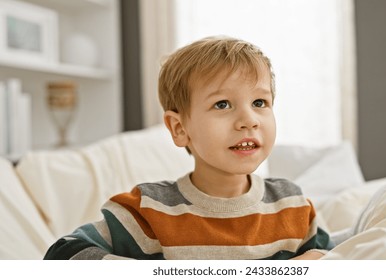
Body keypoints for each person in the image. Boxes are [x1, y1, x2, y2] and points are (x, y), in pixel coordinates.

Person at [43, 36, 334, 260]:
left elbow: (338, 259)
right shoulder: (148, 210)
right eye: (222, 104)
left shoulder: (293, 206)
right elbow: (62, 253)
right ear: (180, 129)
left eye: (260, 103)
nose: (249, 120)